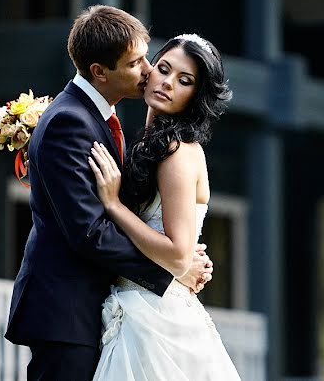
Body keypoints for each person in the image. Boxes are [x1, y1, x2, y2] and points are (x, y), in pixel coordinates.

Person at [4, 6, 213, 380]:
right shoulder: (71, 121)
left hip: (103, 311)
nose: (150, 72)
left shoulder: (104, 122)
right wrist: (172, 271)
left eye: (150, 59)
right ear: (100, 72)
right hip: (66, 312)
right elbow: (90, 232)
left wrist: (174, 259)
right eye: (138, 63)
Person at [87, 34, 240, 380]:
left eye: (184, 81)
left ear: (195, 96)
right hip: (136, 307)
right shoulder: (149, 144)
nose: (168, 83)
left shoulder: (178, 152)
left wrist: (113, 204)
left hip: (156, 318)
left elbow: (178, 254)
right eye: (164, 69)